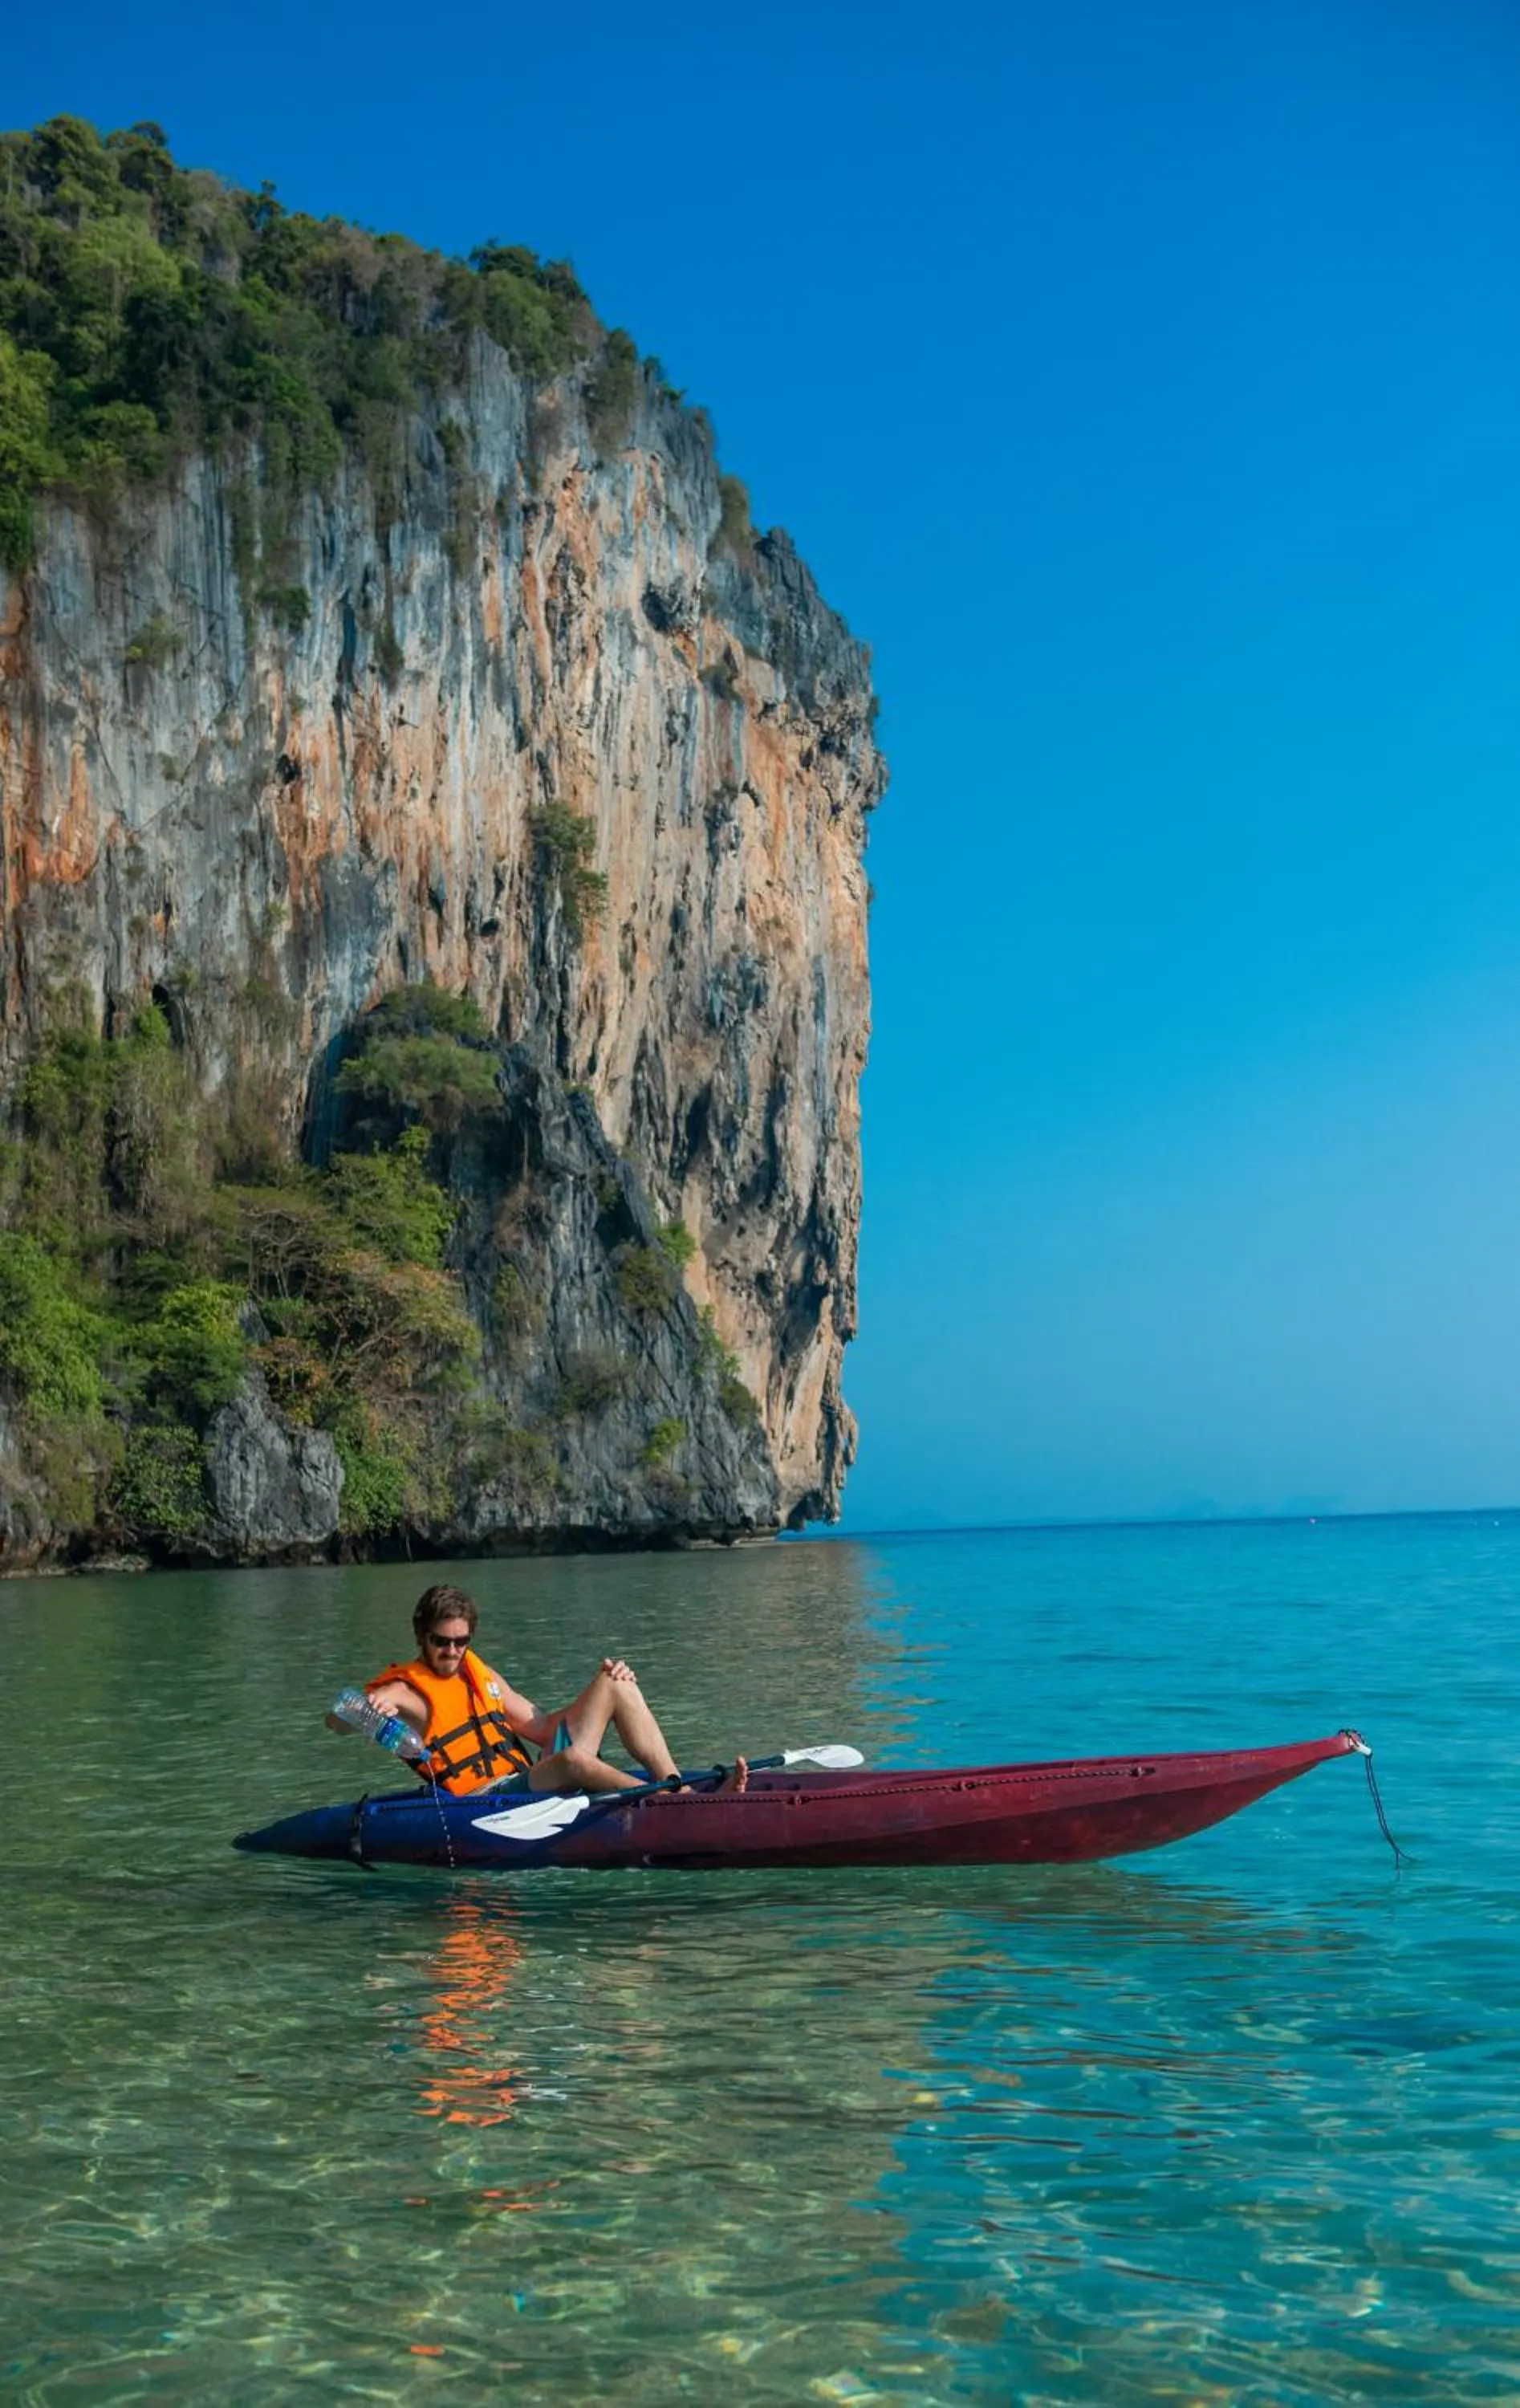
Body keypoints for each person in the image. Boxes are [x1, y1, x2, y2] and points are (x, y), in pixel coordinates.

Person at [327, 1581, 748, 1801]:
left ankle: (679, 1790)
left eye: (461, 1642)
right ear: (422, 1637)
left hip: (528, 1779)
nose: (452, 1652)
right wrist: (367, 1708)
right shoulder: (407, 1690)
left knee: (614, 1683)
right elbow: (336, 1722)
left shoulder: (478, 1674)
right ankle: (666, 1805)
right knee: (569, 1760)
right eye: (441, 1642)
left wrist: (597, 1694)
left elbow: (544, 1727)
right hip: (487, 1799)